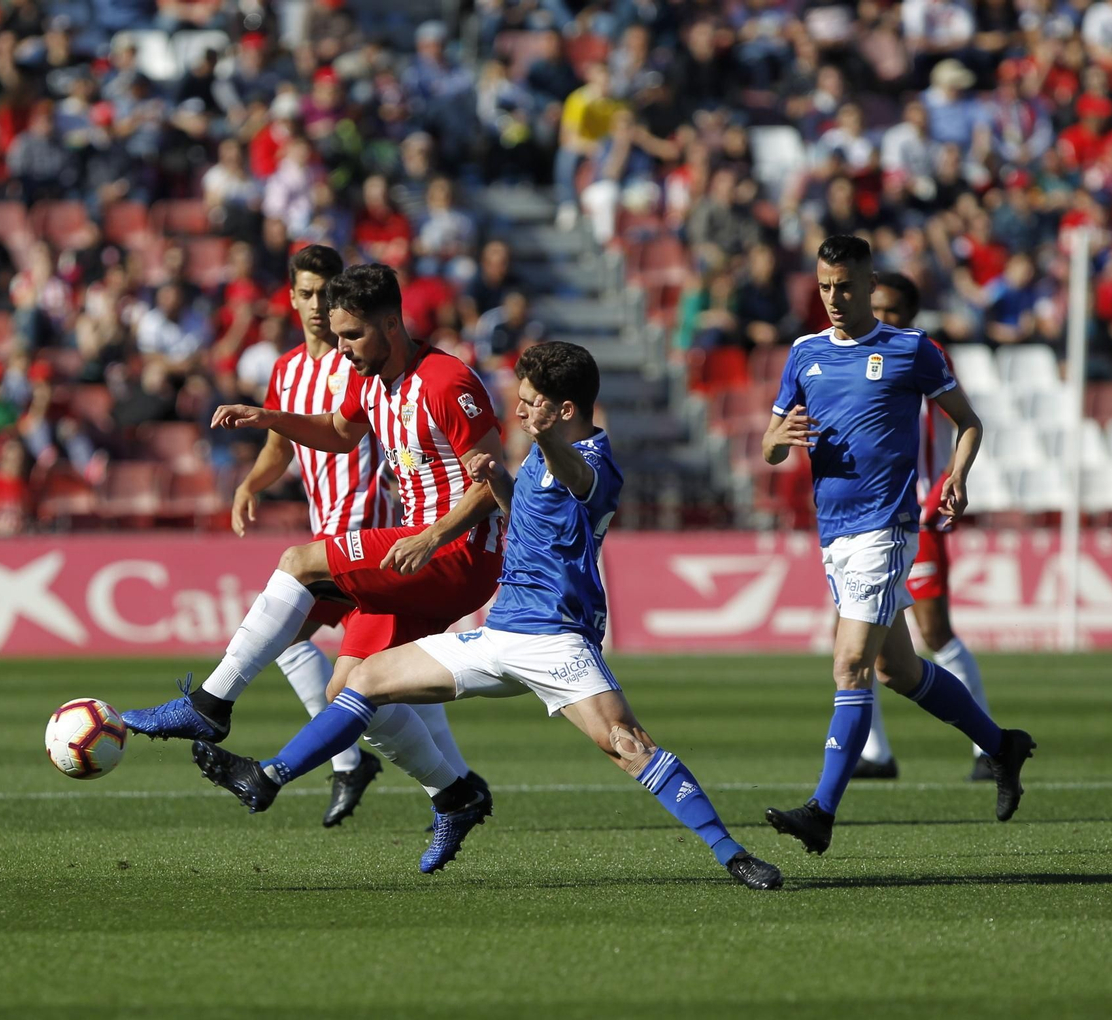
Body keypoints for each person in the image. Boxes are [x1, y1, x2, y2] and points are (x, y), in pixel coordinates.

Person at [192, 342, 784, 889]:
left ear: (565, 410)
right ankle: (268, 778)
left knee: (628, 745)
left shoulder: (594, 462)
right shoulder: (537, 455)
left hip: (556, 640)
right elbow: (529, 516)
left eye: (531, 403)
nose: (518, 411)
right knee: (361, 680)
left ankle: (733, 854)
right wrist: (499, 481)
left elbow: (577, 482)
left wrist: (543, 444)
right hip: (498, 633)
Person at [123, 264, 505, 872]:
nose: (342, 346)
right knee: (349, 689)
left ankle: (210, 705)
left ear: (390, 324)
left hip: (457, 554)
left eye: (352, 334)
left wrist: (433, 535)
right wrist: (271, 419)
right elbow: (337, 431)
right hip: (417, 552)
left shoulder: (446, 381)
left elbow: (493, 481)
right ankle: (455, 794)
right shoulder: (370, 378)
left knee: (299, 562)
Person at [759, 236, 1036, 856]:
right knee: (897, 670)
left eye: (845, 287)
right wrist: (780, 439)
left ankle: (821, 811)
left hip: (886, 529)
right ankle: (1001, 746)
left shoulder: (911, 350)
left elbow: (969, 421)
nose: (834, 298)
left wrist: (957, 475)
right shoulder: (804, 353)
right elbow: (770, 445)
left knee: (849, 665)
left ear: (869, 284)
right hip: (833, 532)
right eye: (824, 287)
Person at [231, 245, 401, 827]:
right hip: (324, 533)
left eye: (325, 295)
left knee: (289, 638)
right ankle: (453, 786)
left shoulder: (361, 363)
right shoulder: (286, 370)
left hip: (367, 532)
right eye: (305, 293)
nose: (314, 306)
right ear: (291, 297)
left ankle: (352, 763)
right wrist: (250, 484)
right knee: (383, 674)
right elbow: (279, 446)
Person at [851, 272, 1001, 782]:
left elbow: (961, 421)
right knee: (854, 637)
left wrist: (947, 483)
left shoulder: (922, 353)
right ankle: (874, 753)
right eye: (877, 308)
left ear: (912, 315)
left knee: (934, 632)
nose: (882, 317)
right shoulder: (852, 354)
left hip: (917, 513)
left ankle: (987, 747)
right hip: (867, 518)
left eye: (892, 310)